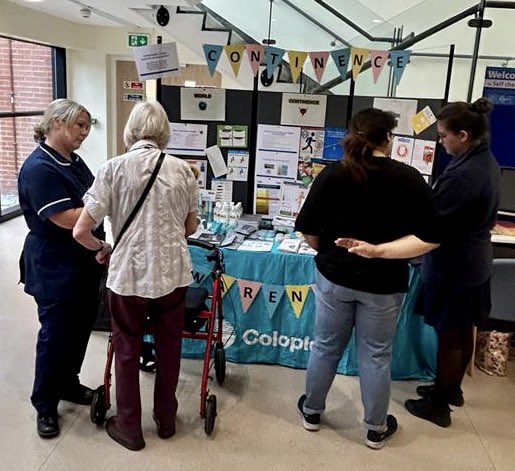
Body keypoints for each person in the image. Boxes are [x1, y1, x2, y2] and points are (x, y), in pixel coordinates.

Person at [335, 98, 500, 428]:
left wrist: (392, 239)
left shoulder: (466, 175)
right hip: (472, 262)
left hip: (457, 266)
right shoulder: (483, 160)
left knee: (451, 333)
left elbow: (433, 224)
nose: (441, 142)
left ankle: (439, 404)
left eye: (443, 136)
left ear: (463, 135)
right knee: (460, 329)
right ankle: (450, 388)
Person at [295, 108, 436, 449]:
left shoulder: (332, 175)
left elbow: (309, 232)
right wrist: (380, 251)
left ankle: (312, 412)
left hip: (334, 277)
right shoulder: (409, 178)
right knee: (375, 356)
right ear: (389, 138)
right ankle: (375, 428)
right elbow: (430, 237)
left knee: (325, 347)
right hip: (384, 285)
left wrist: (329, 253)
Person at [73, 100, 199, 451]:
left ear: (130, 131)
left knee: (126, 348)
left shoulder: (113, 168)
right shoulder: (183, 171)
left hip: (127, 274)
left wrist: (103, 247)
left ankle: (129, 426)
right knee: (170, 346)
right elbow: (189, 226)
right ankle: (167, 419)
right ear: (164, 132)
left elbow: (80, 231)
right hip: (173, 273)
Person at [18, 99, 107, 439]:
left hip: (82, 262)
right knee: (55, 335)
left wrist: (96, 210)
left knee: (80, 328)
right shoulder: (40, 168)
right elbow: (67, 218)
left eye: (86, 126)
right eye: (78, 126)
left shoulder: (72, 160)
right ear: (55, 123)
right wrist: (97, 215)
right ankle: (44, 404)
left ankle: (68, 384)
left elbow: (94, 195)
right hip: (55, 264)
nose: (84, 133)